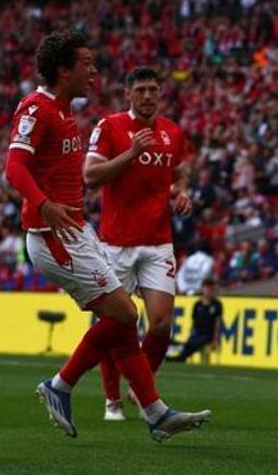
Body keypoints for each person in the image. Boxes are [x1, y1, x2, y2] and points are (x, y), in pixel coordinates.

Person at [4, 30, 210, 442]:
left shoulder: (63, 111)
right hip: (55, 233)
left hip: (79, 231)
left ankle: (153, 412)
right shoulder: (37, 108)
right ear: (64, 70)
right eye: (87, 64)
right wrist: (43, 204)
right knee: (125, 314)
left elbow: (175, 170)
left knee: (128, 318)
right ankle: (65, 387)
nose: (94, 72)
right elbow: (14, 166)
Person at [84, 66, 192, 421]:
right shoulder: (110, 127)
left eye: (153, 89)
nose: (148, 95)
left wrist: (181, 193)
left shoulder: (172, 133)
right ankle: (112, 399)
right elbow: (90, 176)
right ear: (128, 93)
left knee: (161, 324)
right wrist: (130, 153)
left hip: (158, 242)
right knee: (114, 324)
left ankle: (140, 386)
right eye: (141, 89)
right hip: (116, 243)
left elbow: (178, 174)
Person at [169, 278, 223, 362]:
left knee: (193, 342)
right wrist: (191, 333)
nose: (208, 292)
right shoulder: (197, 304)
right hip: (197, 333)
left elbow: (218, 323)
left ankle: (181, 355)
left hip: (208, 335)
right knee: (192, 341)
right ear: (202, 289)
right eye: (206, 289)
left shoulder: (217, 305)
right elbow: (194, 321)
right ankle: (180, 354)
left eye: (210, 289)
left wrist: (216, 339)